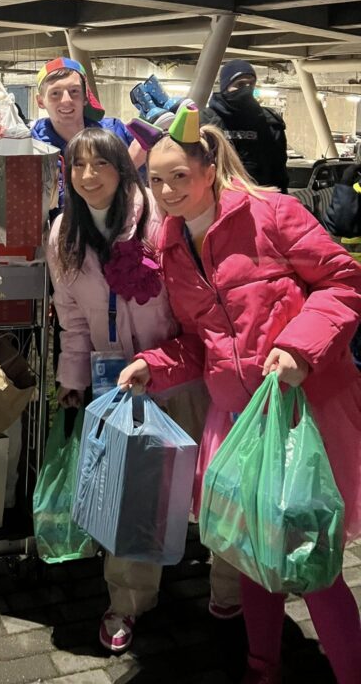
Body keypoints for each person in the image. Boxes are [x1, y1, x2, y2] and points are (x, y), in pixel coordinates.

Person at [119, 103, 361, 684]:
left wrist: (299, 348)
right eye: (157, 180)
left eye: (179, 176)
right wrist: (152, 365)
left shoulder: (272, 213)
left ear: (209, 169)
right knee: (253, 551)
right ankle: (261, 666)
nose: (167, 191)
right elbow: (199, 343)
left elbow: (343, 281)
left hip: (304, 413)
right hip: (237, 419)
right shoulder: (170, 246)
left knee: (314, 561)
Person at [47, 126, 239, 654]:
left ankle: (230, 587)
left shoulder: (159, 219)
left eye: (101, 164)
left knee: (216, 489)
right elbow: (72, 318)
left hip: (186, 373)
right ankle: (127, 601)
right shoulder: (64, 233)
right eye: (78, 165)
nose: (89, 176)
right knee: (132, 497)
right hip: (121, 385)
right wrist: (72, 380)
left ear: (122, 169)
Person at [32, 57, 143, 208]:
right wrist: (129, 165)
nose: (66, 100)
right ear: (40, 101)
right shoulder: (33, 150)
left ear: (86, 97)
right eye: (55, 93)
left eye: (74, 91)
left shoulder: (116, 132)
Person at [202, 60, 289, 191]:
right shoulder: (205, 121)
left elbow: (279, 170)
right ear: (225, 87)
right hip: (219, 196)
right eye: (240, 84)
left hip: (262, 195)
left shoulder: (269, 122)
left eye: (251, 84)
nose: (246, 89)